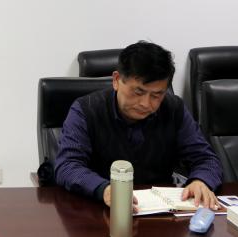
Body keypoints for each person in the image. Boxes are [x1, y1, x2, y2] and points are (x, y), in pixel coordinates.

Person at [54, 41, 222, 210]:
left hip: (161, 211)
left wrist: (201, 180)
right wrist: (104, 189)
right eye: (138, 92)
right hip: (100, 210)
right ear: (116, 80)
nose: (145, 104)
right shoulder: (85, 110)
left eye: (156, 95)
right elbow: (68, 165)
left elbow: (206, 159)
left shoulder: (173, 109)